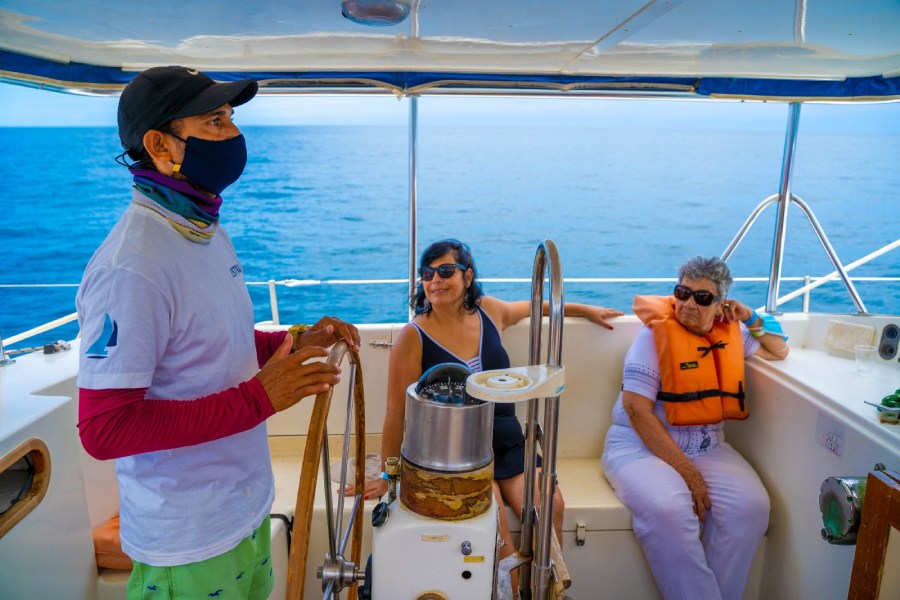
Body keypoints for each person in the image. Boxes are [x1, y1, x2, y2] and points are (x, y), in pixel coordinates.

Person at [76, 65, 360, 600]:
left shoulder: (202, 231)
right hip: (188, 543)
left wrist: (290, 343)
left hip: (244, 514)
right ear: (160, 145)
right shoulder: (132, 266)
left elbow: (211, 342)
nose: (231, 134)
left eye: (230, 117)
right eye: (212, 121)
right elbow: (105, 428)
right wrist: (258, 399)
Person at [353, 239, 622, 572]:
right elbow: (398, 412)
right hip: (455, 451)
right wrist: (387, 475)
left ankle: (548, 591)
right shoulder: (414, 335)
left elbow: (537, 307)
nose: (435, 280)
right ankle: (507, 591)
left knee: (550, 506)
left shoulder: (490, 311)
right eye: (427, 273)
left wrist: (586, 311)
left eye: (446, 271)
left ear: (467, 277)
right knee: (495, 532)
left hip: (507, 441)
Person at [601, 256, 789, 600]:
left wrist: (749, 316)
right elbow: (637, 411)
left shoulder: (731, 334)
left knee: (751, 508)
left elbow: (779, 349)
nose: (688, 304)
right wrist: (690, 476)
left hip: (708, 447)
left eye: (702, 298)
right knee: (669, 511)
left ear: (720, 306)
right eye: (682, 293)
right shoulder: (652, 339)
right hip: (639, 447)